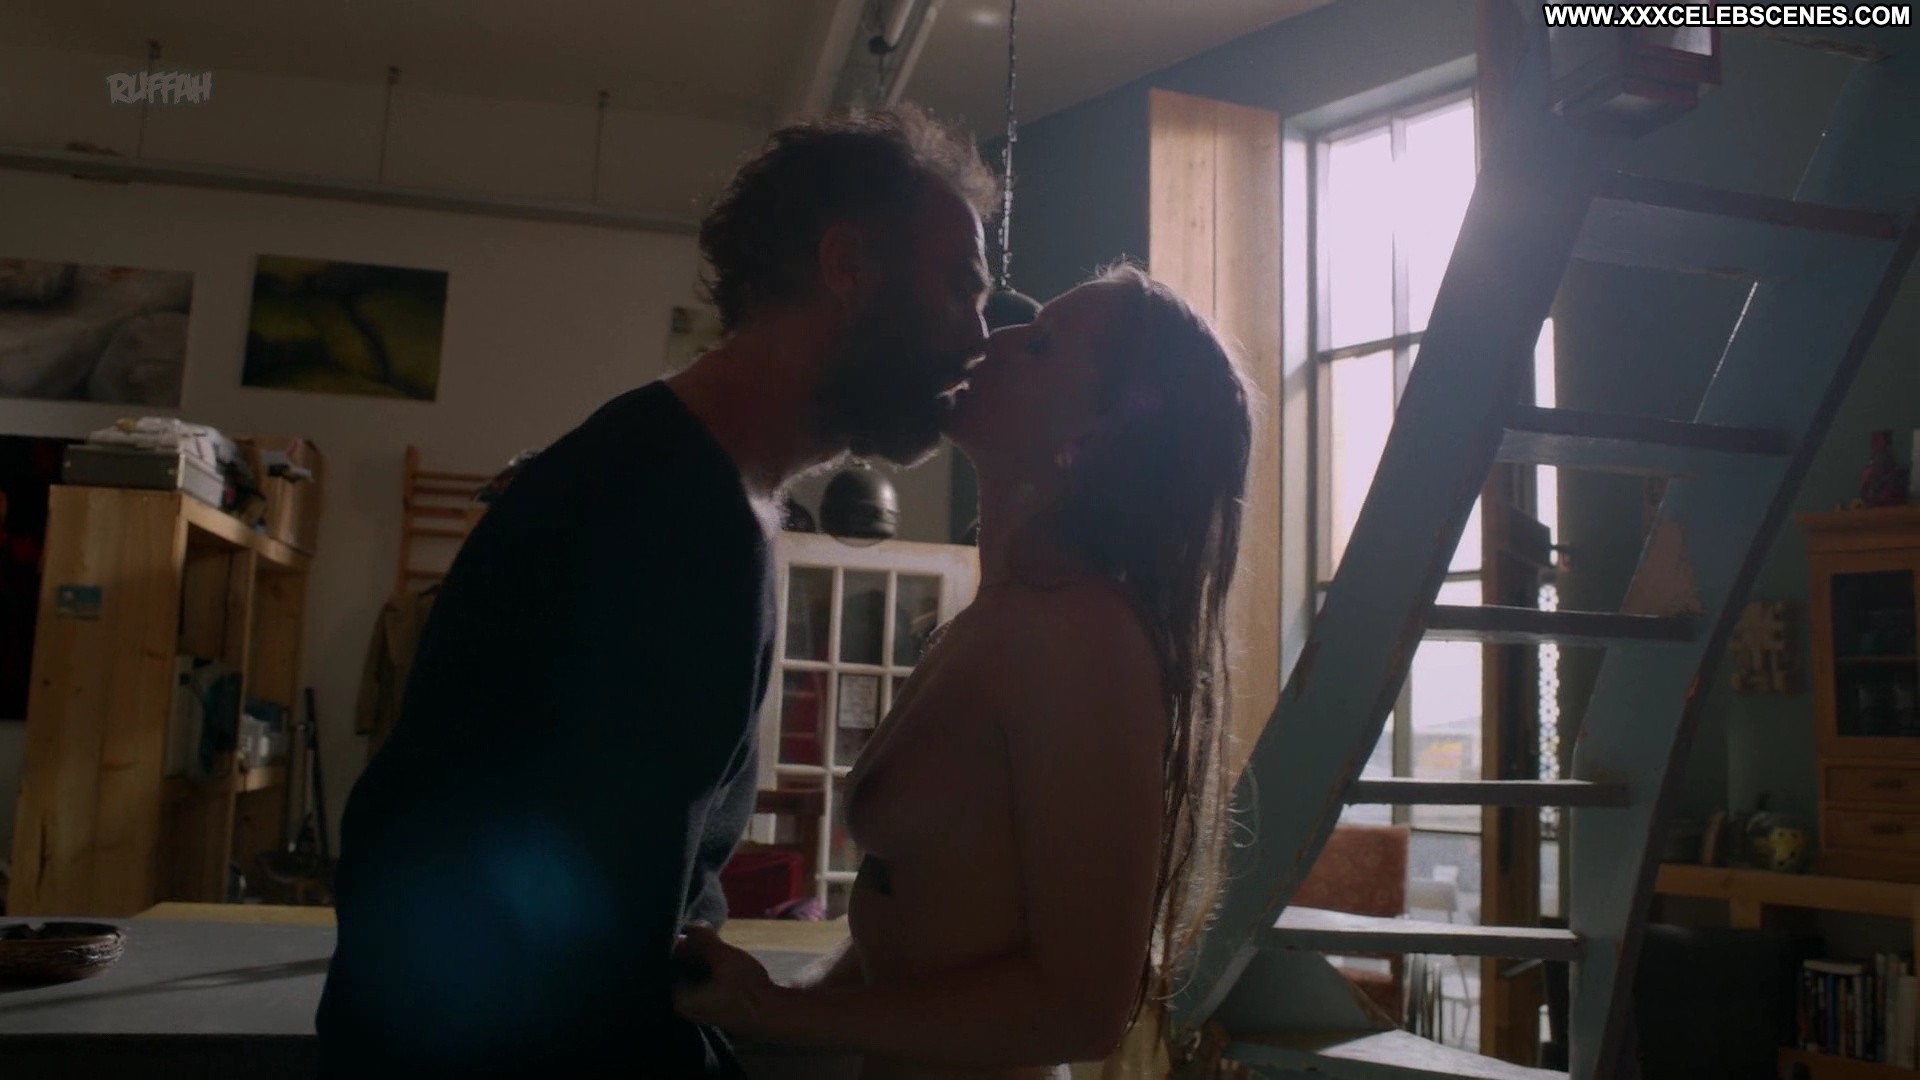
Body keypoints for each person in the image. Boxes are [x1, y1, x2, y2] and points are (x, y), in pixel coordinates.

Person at [315, 104, 998, 1078]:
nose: (980, 334)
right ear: (846, 265)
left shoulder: (699, 490)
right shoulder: (662, 518)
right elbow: (570, 956)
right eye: (962, 285)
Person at [673, 264, 1256, 1079]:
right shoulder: (993, 618)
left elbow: (1083, 1008)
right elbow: (900, 929)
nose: (996, 337)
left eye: (1041, 345)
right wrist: (751, 1016)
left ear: (1090, 440)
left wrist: (770, 1012)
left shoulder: (1081, 639)